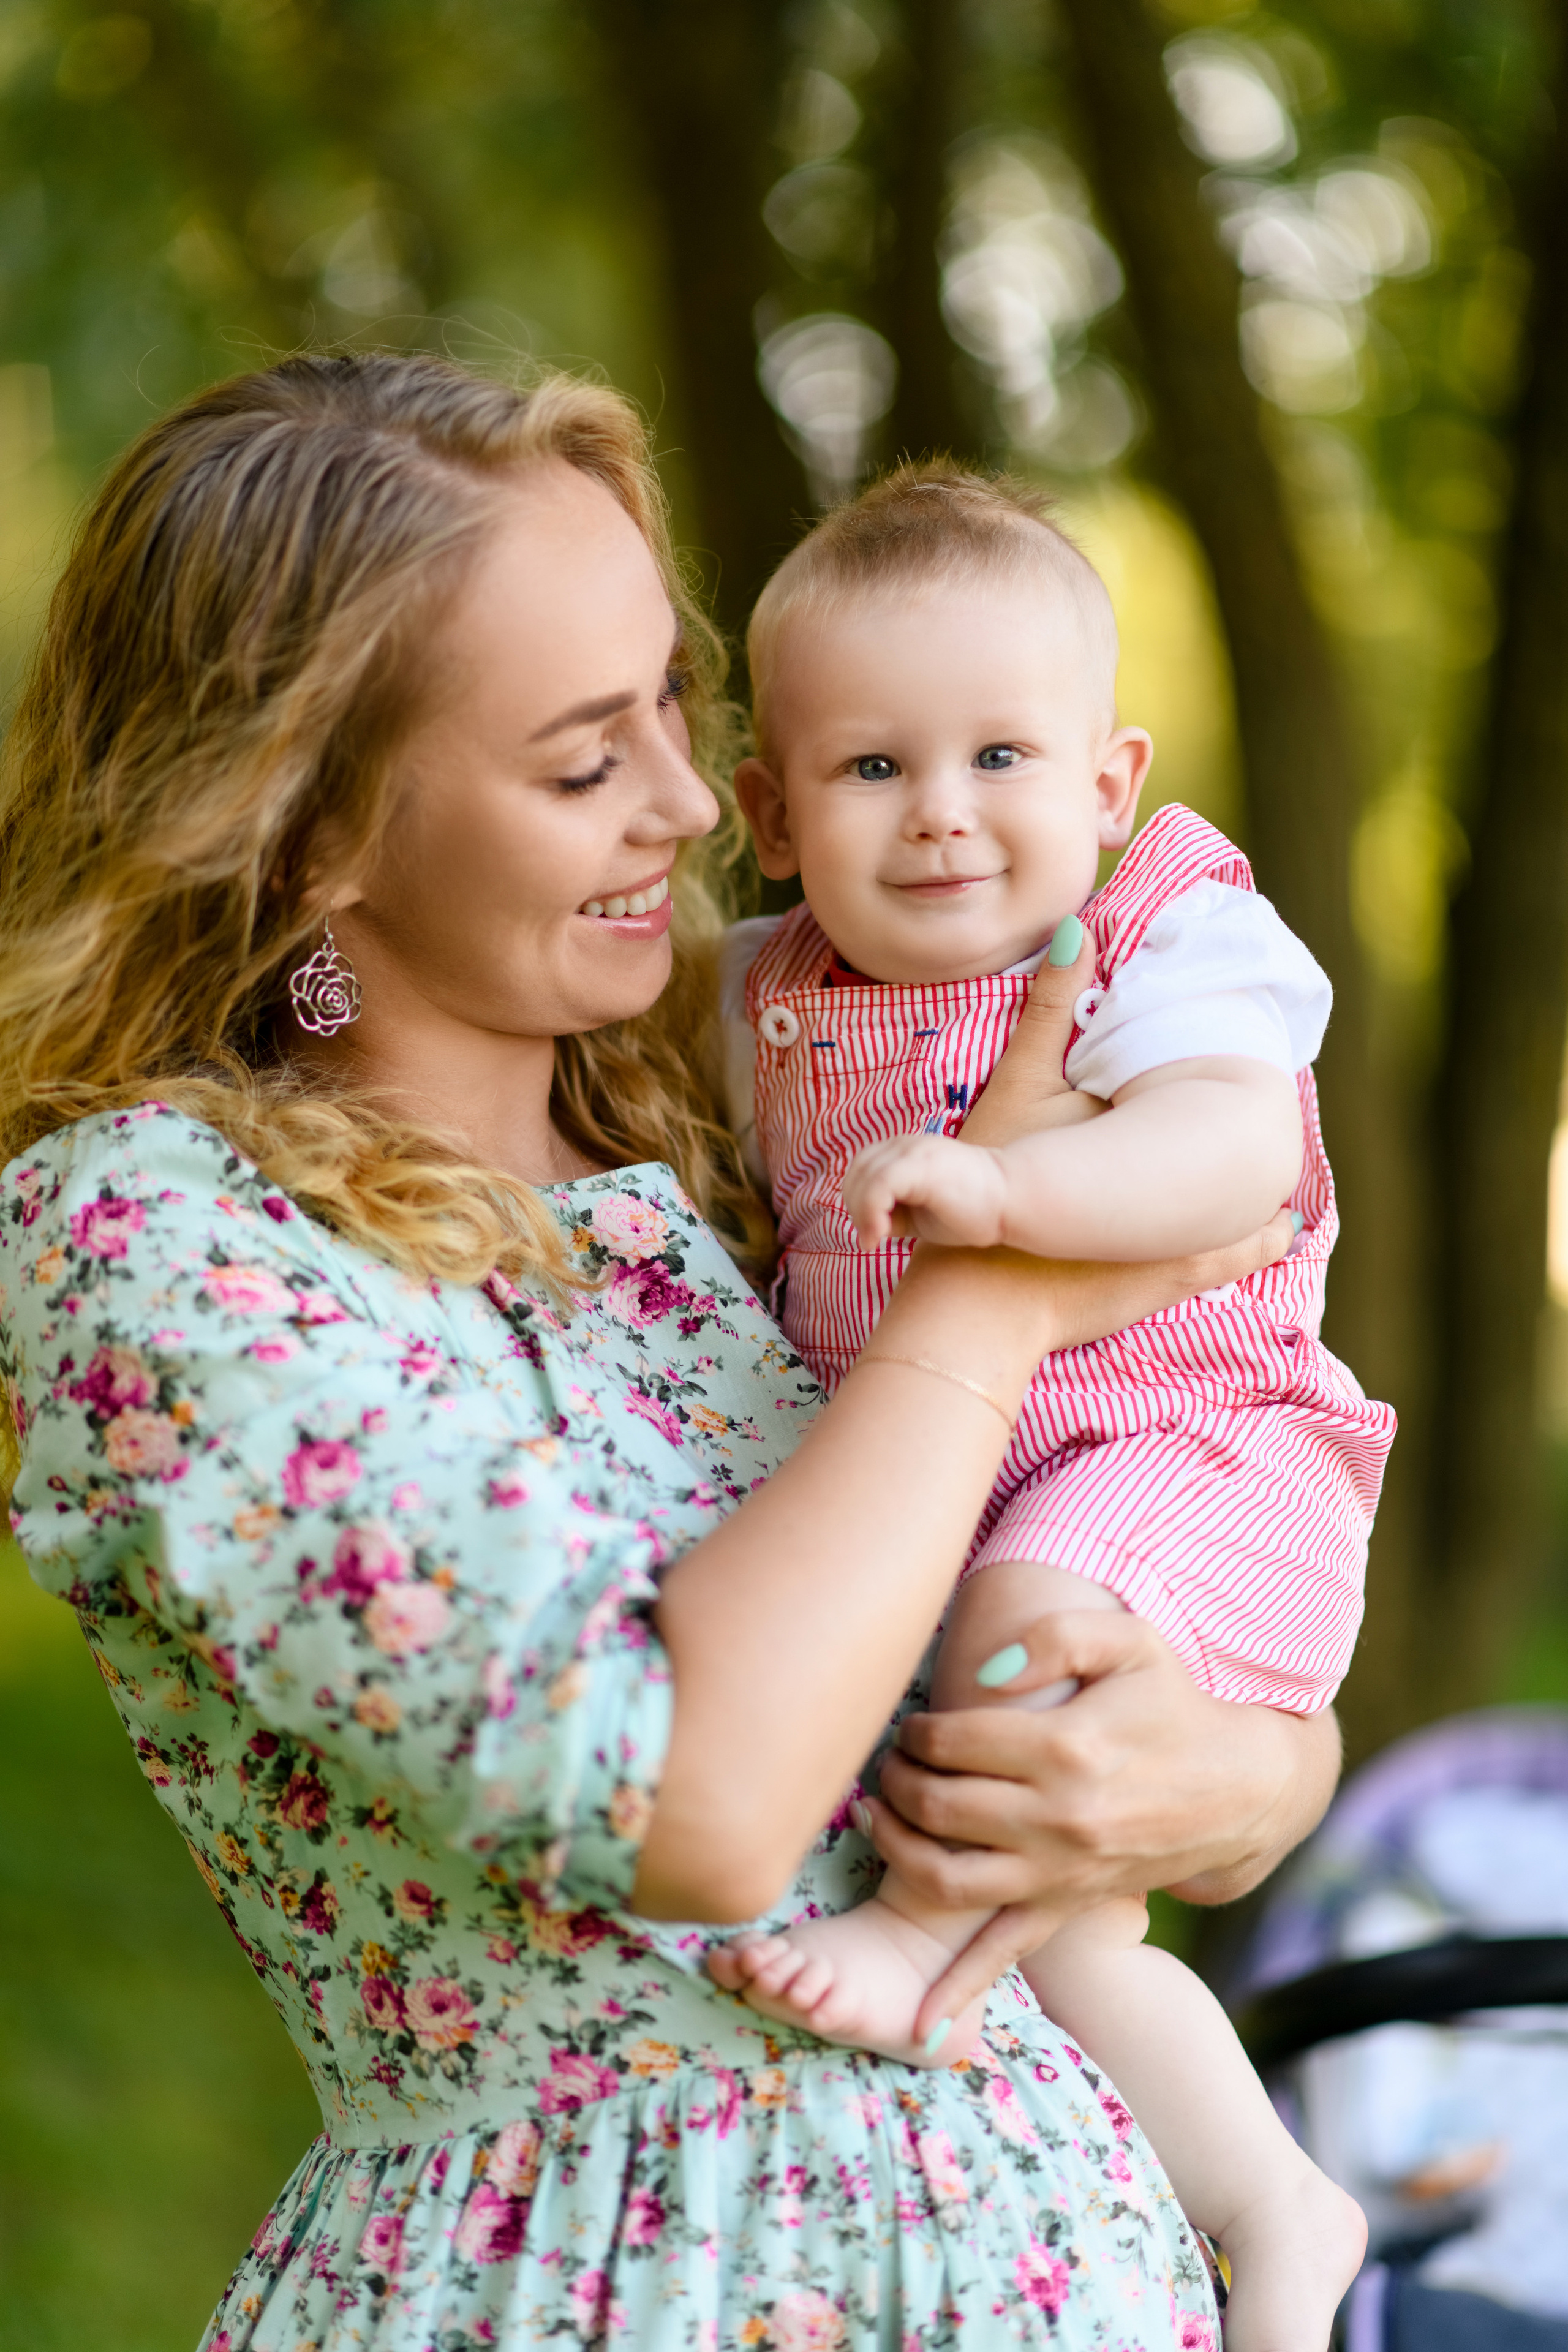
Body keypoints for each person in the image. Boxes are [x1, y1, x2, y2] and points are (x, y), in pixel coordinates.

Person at [0, 353, 1335, 2352]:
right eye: (580, 763)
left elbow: (1148, 1535)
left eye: (671, 709)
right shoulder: (158, 1238)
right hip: (613, 2286)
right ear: (310, 831)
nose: (698, 805)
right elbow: (700, 1801)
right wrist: (1003, 1283)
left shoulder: (729, 1119)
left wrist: (1246, 1772)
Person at [715, 464, 1391, 2349]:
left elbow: (1236, 1150)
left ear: (1108, 781)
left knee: (1018, 1649)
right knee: (1079, 1925)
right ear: (769, 814)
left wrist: (1007, 1194)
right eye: (872, 769)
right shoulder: (761, 998)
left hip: (1196, 1441)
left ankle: (916, 1939)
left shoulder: (1169, 936)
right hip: (995, 1483)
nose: (941, 810)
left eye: (1001, 757)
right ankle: (1278, 2206)